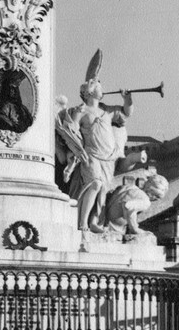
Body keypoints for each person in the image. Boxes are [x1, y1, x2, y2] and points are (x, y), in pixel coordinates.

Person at [56, 65, 132, 231]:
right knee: (95, 184)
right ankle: (82, 222)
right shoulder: (81, 111)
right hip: (90, 155)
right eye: (99, 87)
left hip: (108, 157)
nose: (102, 89)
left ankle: (94, 222)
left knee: (103, 189)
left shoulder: (108, 111)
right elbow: (71, 132)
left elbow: (126, 113)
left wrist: (127, 100)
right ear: (89, 92)